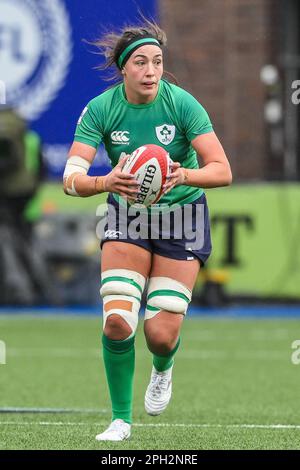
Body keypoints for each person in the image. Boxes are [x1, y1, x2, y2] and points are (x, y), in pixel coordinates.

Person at [63, 18, 232, 441]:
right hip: (127, 216)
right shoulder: (101, 108)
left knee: (159, 334)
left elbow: (222, 170)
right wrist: (105, 182)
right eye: (141, 62)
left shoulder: (183, 104)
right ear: (124, 68)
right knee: (118, 321)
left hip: (182, 217)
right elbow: (71, 178)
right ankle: (121, 419)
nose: (152, 70)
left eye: (158, 61)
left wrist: (182, 175)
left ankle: (163, 367)